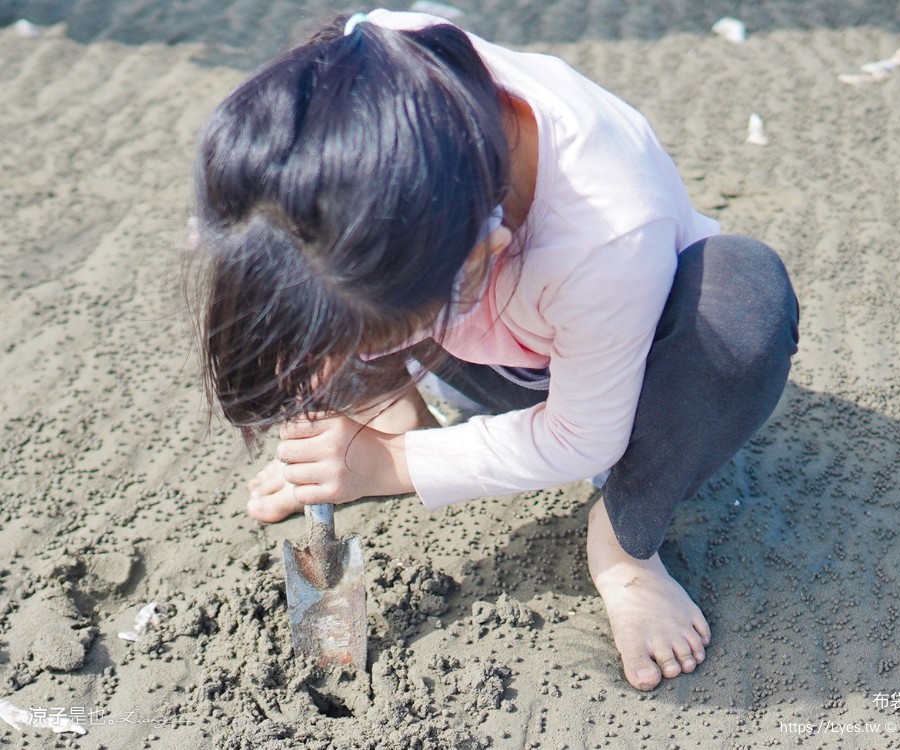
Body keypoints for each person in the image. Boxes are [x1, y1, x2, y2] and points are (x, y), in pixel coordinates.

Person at [188, 8, 799, 692]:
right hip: (477, 341)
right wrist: (302, 343)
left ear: (486, 253)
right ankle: (394, 411)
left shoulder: (609, 228)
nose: (331, 365)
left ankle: (623, 547)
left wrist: (388, 466)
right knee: (326, 275)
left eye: (364, 342)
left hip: (626, 380)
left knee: (742, 306)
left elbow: (582, 438)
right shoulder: (372, 61)